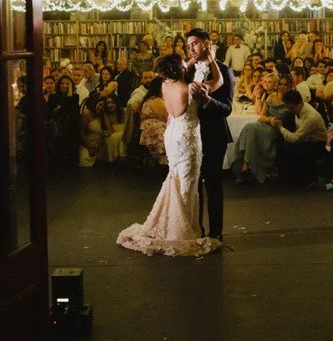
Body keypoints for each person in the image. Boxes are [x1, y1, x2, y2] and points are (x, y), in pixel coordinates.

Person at [116, 52, 223, 258]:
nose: (187, 62)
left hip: (172, 134)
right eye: (184, 63)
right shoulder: (190, 89)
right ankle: (182, 229)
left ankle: (175, 221)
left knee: (175, 177)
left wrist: (191, 60)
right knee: (188, 183)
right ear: (181, 69)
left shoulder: (165, 85)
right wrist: (210, 58)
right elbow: (217, 81)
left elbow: (180, 69)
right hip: (187, 138)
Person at [185, 27, 234, 241]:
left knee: (213, 183)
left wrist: (207, 101)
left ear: (207, 43)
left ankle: (216, 232)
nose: (192, 49)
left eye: (195, 43)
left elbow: (227, 108)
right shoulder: (185, 72)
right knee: (192, 185)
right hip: (190, 134)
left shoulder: (224, 71)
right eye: (188, 46)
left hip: (214, 134)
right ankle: (196, 229)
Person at [229, 71, 289, 184]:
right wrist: (270, 120)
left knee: (251, 129)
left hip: (276, 129)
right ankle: (245, 168)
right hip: (265, 124)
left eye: (285, 85)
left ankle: (245, 168)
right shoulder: (271, 96)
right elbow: (262, 115)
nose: (282, 87)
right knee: (249, 127)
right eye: (280, 84)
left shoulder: (290, 98)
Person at [271, 89, 328, 186]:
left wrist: (280, 127)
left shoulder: (311, 117)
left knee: (289, 145)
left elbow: (295, 139)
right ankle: (289, 176)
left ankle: (298, 178)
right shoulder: (298, 109)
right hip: (307, 139)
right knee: (279, 141)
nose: (290, 111)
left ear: (299, 103)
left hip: (319, 144)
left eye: (291, 108)